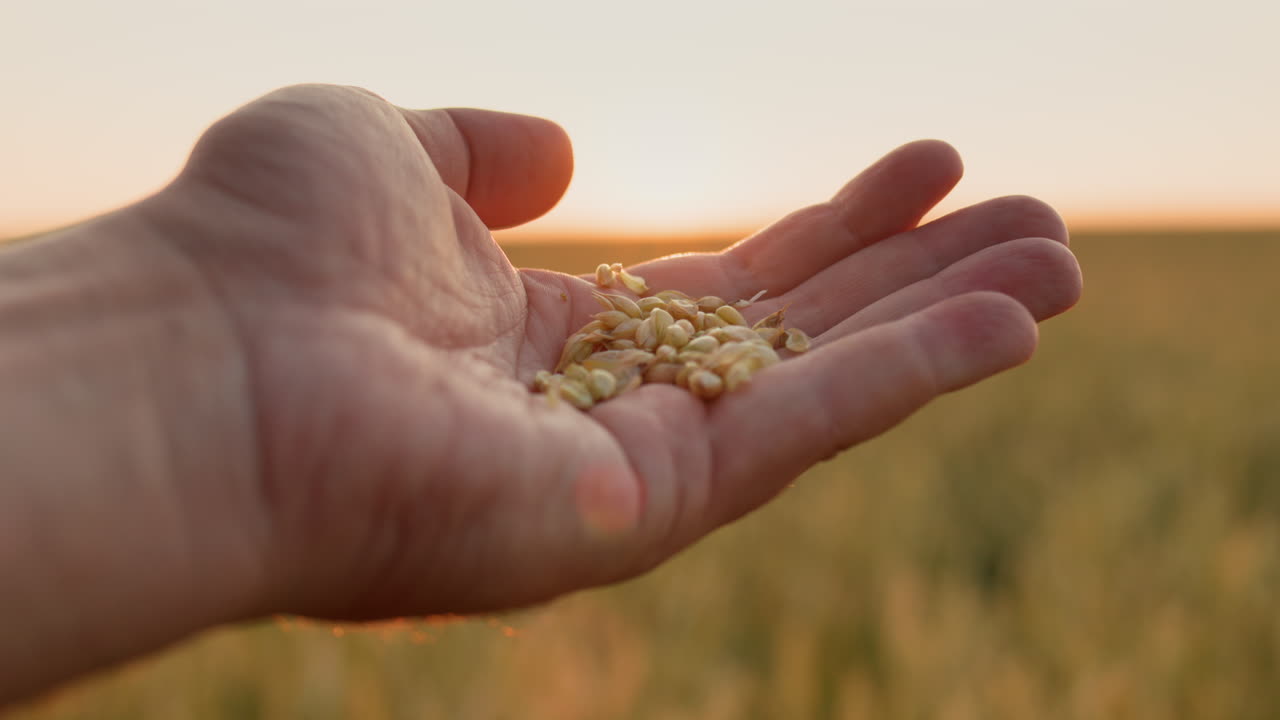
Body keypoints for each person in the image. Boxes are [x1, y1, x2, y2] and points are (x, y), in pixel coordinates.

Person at [0, 84, 1082, 704]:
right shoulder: (648, 342)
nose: (689, 355)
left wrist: (172, 331)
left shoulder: (647, 341)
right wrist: (192, 326)